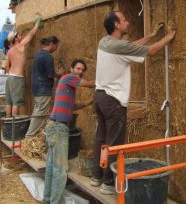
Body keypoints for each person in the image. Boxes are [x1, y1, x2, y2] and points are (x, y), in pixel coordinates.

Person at [90, 11, 176, 194]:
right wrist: (169, 36)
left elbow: (129, 47)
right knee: (114, 144)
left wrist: (151, 36)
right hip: (113, 101)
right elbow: (151, 51)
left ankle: (96, 176)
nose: (128, 22)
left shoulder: (105, 41)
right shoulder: (118, 46)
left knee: (101, 139)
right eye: (124, 19)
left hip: (99, 97)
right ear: (116, 25)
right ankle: (108, 184)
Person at [43, 59, 95, 204]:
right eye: (78, 69)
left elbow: (72, 107)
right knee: (61, 169)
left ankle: (47, 199)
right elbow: (88, 84)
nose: (80, 72)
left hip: (53, 126)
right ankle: (55, 202)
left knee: (52, 167)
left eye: (82, 70)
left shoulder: (67, 87)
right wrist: (103, 83)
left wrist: (89, 102)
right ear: (71, 69)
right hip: (59, 128)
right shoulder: (68, 77)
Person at [25, 36, 63, 137]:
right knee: (40, 113)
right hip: (43, 88)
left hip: (37, 87)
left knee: (38, 111)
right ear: (51, 44)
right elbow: (50, 74)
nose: (56, 48)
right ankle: (29, 136)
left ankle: (35, 135)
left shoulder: (38, 53)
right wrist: (59, 74)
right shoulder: (47, 56)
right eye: (56, 46)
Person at [4, 13, 41, 117]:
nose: (20, 36)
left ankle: (8, 121)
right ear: (15, 39)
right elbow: (30, 35)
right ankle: (15, 124)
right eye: (18, 35)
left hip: (10, 78)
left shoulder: (9, 51)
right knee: (16, 103)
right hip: (17, 78)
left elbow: (6, 67)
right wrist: (37, 24)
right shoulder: (21, 46)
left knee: (8, 102)